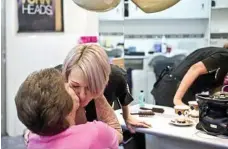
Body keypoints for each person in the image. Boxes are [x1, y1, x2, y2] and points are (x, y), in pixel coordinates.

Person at [15, 68, 121, 149]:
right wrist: (98, 92)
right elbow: (117, 135)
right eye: (70, 87)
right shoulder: (95, 132)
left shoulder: (32, 138)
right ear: (66, 107)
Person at [56, 44, 151, 133]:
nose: (83, 96)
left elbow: (124, 95)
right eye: (75, 86)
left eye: (91, 87)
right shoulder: (55, 80)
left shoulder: (115, 77)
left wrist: (127, 116)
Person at [151, 46, 228, 107]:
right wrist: (177, 99)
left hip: (171, 87)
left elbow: (215, 88)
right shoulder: (225, 56)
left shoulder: (220, 57)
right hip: (174, 90)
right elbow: (195, 69)